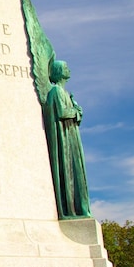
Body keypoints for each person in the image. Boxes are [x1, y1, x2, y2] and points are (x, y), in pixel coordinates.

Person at [43, 60, 91, 218]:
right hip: (65, 138)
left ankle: (81, 208)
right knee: (70, 170)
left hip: (71, 134)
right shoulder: (56, 91)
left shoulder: (65, 93)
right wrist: (76, 111)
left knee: (77, 172)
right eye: (65, 67)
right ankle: (71, 208)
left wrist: (76, 111)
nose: (69, 69)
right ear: (58, 72)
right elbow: (62, 112)